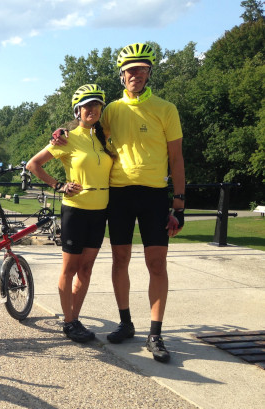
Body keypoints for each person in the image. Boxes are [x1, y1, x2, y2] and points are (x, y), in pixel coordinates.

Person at [54, 43, 185, 362]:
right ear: (122, 75)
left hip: (154, 194)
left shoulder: (165, 108)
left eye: (141, 69)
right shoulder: (111, 109)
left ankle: (155, 332)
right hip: (119, 195)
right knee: (120, 260)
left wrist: (179, 204)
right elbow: (85, 129)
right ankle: (126, 323)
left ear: (149, 72)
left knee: (157, 264)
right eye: (129, 70)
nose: (135, 74)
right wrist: (61, 133)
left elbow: (176, 157)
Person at [27, 84, 115, 343]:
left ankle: (74, 319)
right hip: (76, 211)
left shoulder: (105, 138)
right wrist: (59, 185)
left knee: (86, 270)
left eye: (97, 105)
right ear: (77, 110)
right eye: (87, 105)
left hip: (100, 211)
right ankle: (69, 321)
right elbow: (34, 164)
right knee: (70, 268)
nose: (93, 109)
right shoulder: (66, 138)